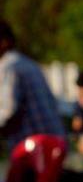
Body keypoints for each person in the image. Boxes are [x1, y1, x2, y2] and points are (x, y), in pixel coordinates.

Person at [0, 20, 66, 153]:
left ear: (3, 42)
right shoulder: (26, 62)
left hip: (37, 149)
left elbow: (7, 113)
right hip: (55, 144)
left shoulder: (8, 66)